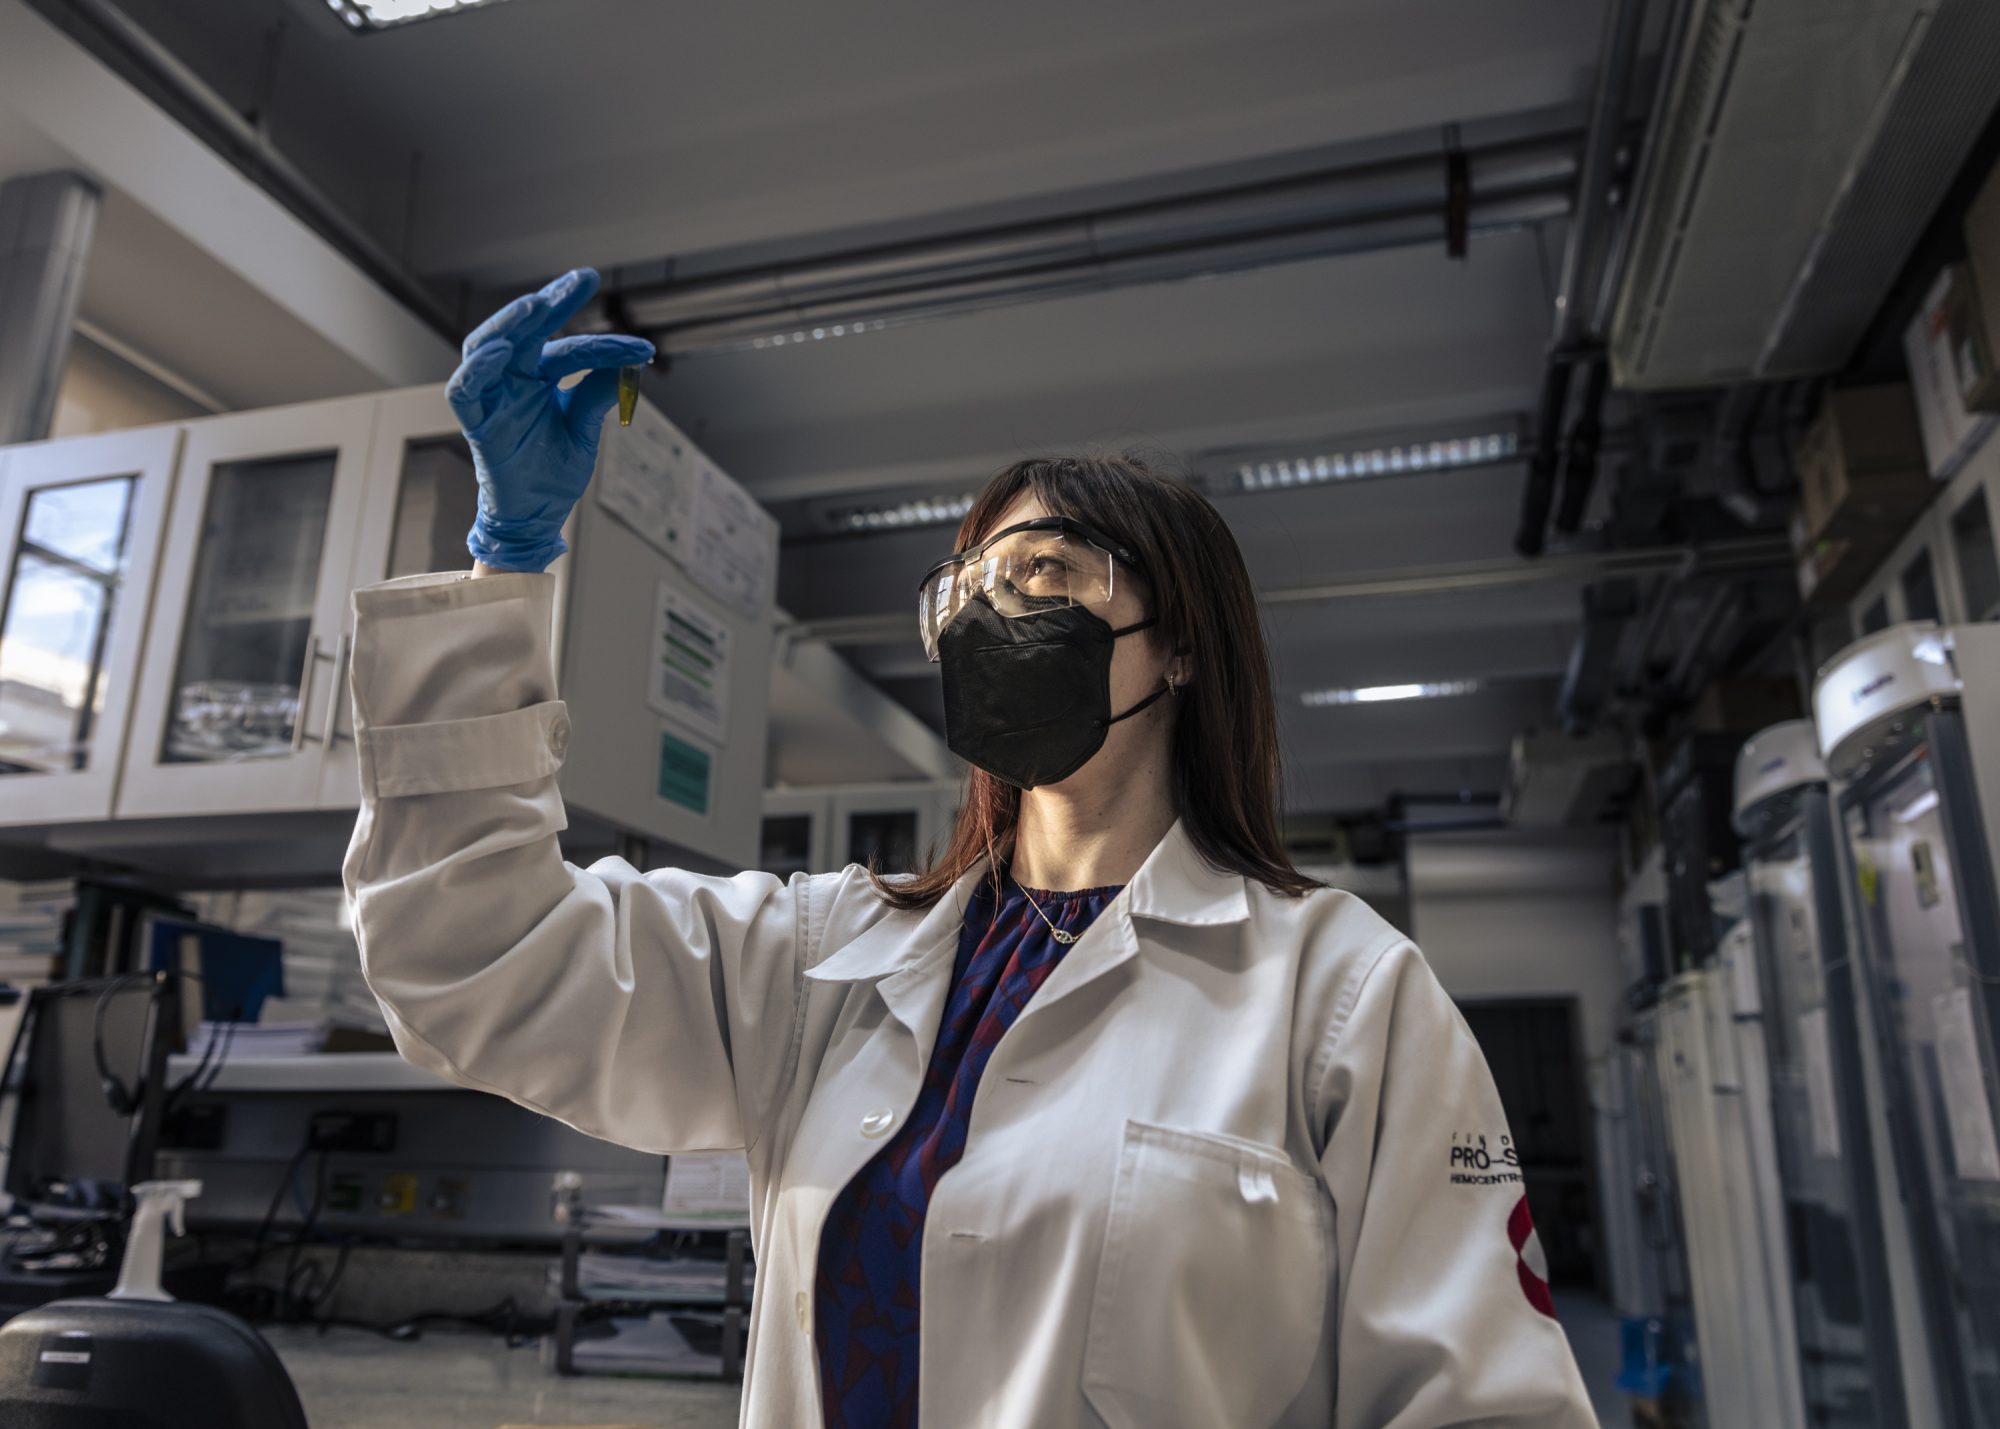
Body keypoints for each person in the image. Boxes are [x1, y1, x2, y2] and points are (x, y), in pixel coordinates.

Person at [344, 269, 1595, 1428]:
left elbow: (1480, 1401)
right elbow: (477, 956)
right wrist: (505, 565)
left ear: (1181, 644)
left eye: (1045, 569)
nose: (994, 609)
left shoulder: (1338, 994)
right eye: (969, 585)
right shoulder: (823, 962)